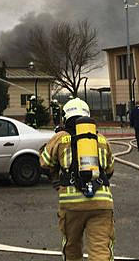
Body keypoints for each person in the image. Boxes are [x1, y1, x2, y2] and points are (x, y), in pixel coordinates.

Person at [40, 98, 115, 261]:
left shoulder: (60, 137)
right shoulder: (101, 139)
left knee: (72, 248)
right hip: (101, 202)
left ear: (66, 117)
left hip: (71, 203)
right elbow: (110, 170)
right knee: (101, 250)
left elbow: (45, 163)